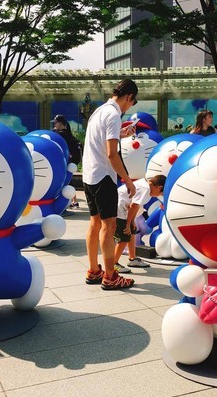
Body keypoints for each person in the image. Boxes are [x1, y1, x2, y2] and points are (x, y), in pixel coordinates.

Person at [83, 78, 138, 290]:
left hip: (89, 175)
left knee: (94, 223)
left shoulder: (99, 111)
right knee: (109, 225)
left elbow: (100, 141)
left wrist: (121, 134)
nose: (128, 107)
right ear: (129, 97)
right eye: (131, 103)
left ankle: (94, 270)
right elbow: (111, 154)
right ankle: (110, 276)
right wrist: (127, 180)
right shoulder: (113, 115)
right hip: (104, 177)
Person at [113, 175, 166, 274]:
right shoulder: (145, 189)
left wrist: (132, 222)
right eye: (161, 193)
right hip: (120, 209)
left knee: (132, 232)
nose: (160, 195)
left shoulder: (146, 186)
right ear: (159, 187)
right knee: (124, 236)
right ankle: (114, 263)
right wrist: (128, 224)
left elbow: (135, 205)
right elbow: (133, 206)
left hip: (125, 209)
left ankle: (132, 258)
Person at [52, 114, 82, 209]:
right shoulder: (70, 135)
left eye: (56, 123)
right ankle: (74, 201)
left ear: (61, 123)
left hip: (65, 161)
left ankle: (71, 201)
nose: (54, 125)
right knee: (69, 179)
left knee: (66, 181)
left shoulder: (60, 135)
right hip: (73, 161)